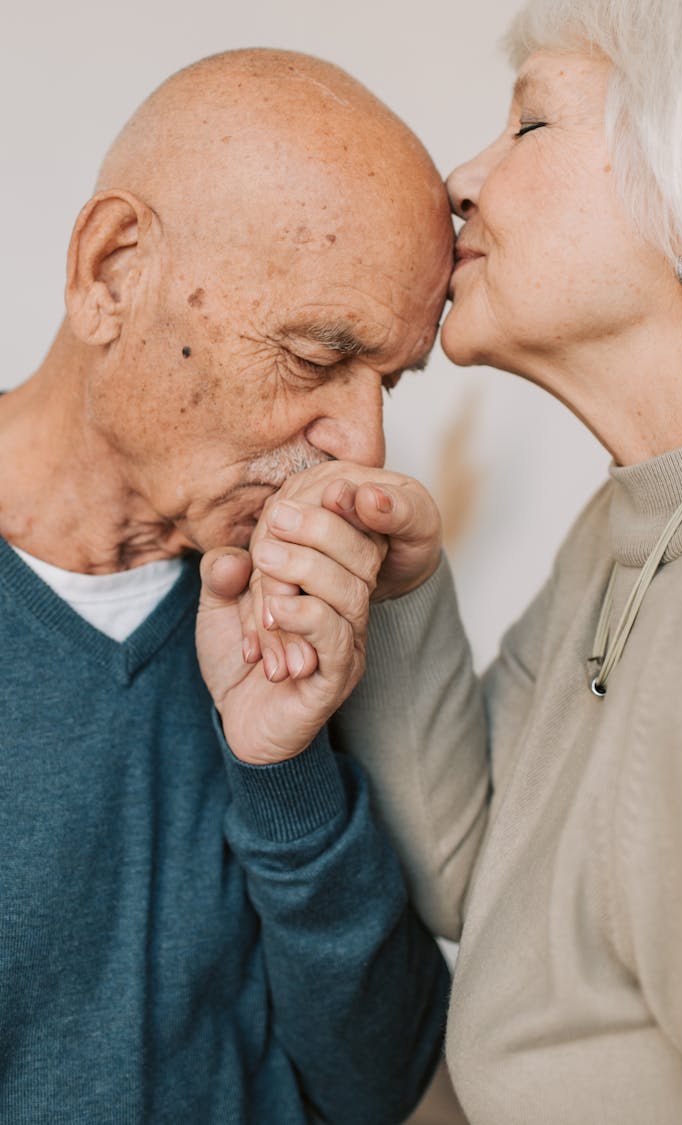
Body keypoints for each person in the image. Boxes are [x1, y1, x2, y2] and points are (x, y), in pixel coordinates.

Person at [243, 1, 682, 1121]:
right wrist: (405, 592)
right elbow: (483, 872)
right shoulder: (633, 528)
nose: (461, 179)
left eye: (530, 126)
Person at [0, 47, 458, 1124]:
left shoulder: (313, 609)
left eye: (386, 381)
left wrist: (282, 769)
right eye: (315, 356)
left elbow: (378, 1087)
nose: (363, 440)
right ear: (113, 271)